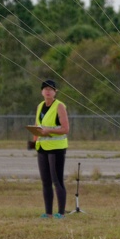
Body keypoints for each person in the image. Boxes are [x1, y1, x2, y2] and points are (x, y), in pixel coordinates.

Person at [34, 79, 70, 218]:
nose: (48, 91)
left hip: (56, 148)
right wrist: (33, 143)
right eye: (45, 89)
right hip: (42, 147)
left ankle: (60, 213)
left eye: (51, 89)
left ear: (55, 92)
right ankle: (48, 212)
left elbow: (65, 129)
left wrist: (49, 130)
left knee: (57, 180)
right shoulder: (40, 106)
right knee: (46, 181)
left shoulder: (59, 106)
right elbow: (37, 125)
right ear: (42, 91)